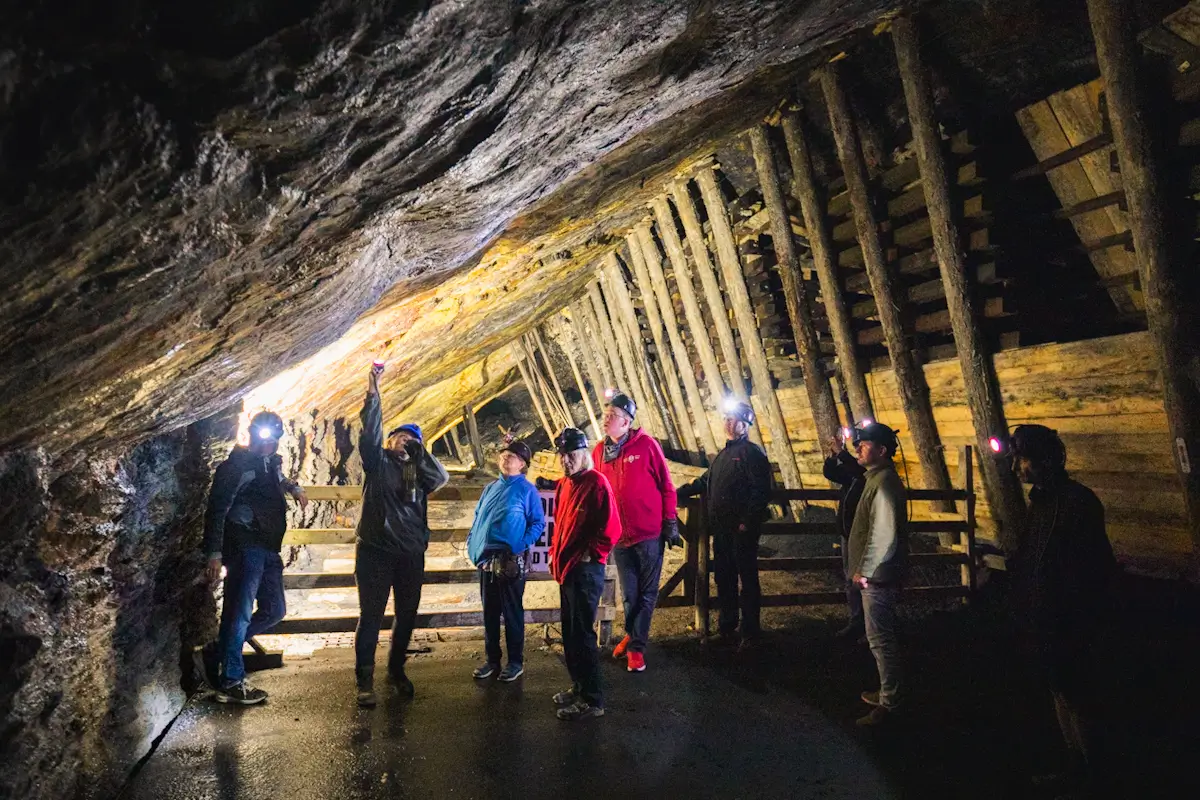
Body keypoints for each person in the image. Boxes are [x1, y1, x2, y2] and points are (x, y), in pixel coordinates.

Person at [1006, 424, 1115, 795]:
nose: (1017, 469)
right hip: (1045, 619)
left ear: (1044, 461)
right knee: (1058, 691)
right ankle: (1076, 763)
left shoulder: (1077, 503)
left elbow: (1094, 569)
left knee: (1077, 695)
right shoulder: (1042, 503)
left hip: (1070, 621)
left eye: (1021, 460)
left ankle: (1095, 770)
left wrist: (1078, 618)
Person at [354, 362, 450, 708]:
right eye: (401, 436)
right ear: (390, 439)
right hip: (376, 551)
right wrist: (373, 391)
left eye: (412, 439)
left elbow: (442, 479)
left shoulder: (418, 472)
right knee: (372, 615)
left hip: (410, 553)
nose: (405, 442)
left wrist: (420, 454)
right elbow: (369, 432)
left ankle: (396, 670)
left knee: (407, 615)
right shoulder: (376, 461)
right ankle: (364, 680)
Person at [199, 410, 308, 705]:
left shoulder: (270, 462)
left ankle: (221, 651)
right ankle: (231, 680)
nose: (267, 444)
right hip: (244, 546)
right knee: (239, 612)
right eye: (262, 438)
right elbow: (217, 510)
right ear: (251, 434)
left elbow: (277, 477)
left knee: (274, 610)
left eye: (272, 440)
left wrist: (292, 487)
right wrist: (214, 554)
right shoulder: (235, 467)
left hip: (268, 547)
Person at [592, 392, 680, 673]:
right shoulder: (598, 451)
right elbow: (591, 485)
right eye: (606, 413)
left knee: (647, 592)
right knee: (630, 594)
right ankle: (633, 635)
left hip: (648, 533)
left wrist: (670, 522)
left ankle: (637, 648)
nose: (607, 418)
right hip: (619, 536)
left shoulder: (647, 446)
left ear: (627, 422)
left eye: (613, 415)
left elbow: (666, 486)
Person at [677, 401, 772, 651]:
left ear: (745, 424)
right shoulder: (723, 455)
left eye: (733, 420)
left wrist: (747, 522)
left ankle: (750, 633)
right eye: (726, 419)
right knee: (725, 578)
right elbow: (705, 481)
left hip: (740, 531)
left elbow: (761, 491)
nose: (728, 424)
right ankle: (727, 627)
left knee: (747, 581)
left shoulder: (752, 453)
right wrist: (677, 493)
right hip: (721, 530)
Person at [546, 427, 622, 721]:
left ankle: (593, 699)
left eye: (572, 455)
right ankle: (579, 686)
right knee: (570, 631)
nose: (567, 461)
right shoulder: (567, 484)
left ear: (584, 454)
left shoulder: (596, 483)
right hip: (567, 569)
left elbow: (611, 528)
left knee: (582, 634)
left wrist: (593, 553)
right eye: (563, 456)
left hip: (585, 569)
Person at [466, 438, 546, 683]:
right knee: (489, 612)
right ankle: (492, 660)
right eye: (503, 455)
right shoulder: (491, 488)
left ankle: (515, 662)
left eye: (510, 456)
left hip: (510, 561)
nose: (504, 458)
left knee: (511, 612)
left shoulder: (527, 490)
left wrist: (519, 546)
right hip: (486, 560)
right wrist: (472, 542)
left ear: (522, 464)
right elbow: (478, 516)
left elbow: (538, 523)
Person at [846, 422, 908, 727]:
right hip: (877, 575)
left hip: (878, 577)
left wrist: (864, 570)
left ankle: (890, 703)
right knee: (879, 638)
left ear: (881, 450)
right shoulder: (877, 479)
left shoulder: (883, 483)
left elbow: (884, 534)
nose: (858, 447)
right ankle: (887, 691)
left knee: (880, 640)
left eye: (865, 443)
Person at [825, 430, 868, 641]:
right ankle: (857, 620)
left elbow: (857, 471)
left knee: (862, 579)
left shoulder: (867, 474)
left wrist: (842, 453)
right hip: (847, 533)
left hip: (860, 536)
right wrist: (833, 456)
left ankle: (869, 625)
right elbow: (830, 474)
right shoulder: (853, 475)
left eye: (862, 446)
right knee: (850, 578)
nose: (858, 450)